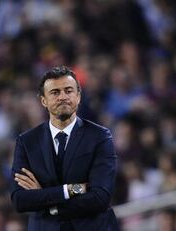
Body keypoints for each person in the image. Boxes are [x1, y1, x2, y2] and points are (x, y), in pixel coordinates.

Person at [10, 66, 119, 231]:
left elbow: (100, 197)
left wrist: (48, 204)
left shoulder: (99, 137)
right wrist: (70, 190)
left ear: (78, 96)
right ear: (43, 101)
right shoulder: (27, 142)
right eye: (55, 92)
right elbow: (20, 200)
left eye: (68, 91)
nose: (63, 97)